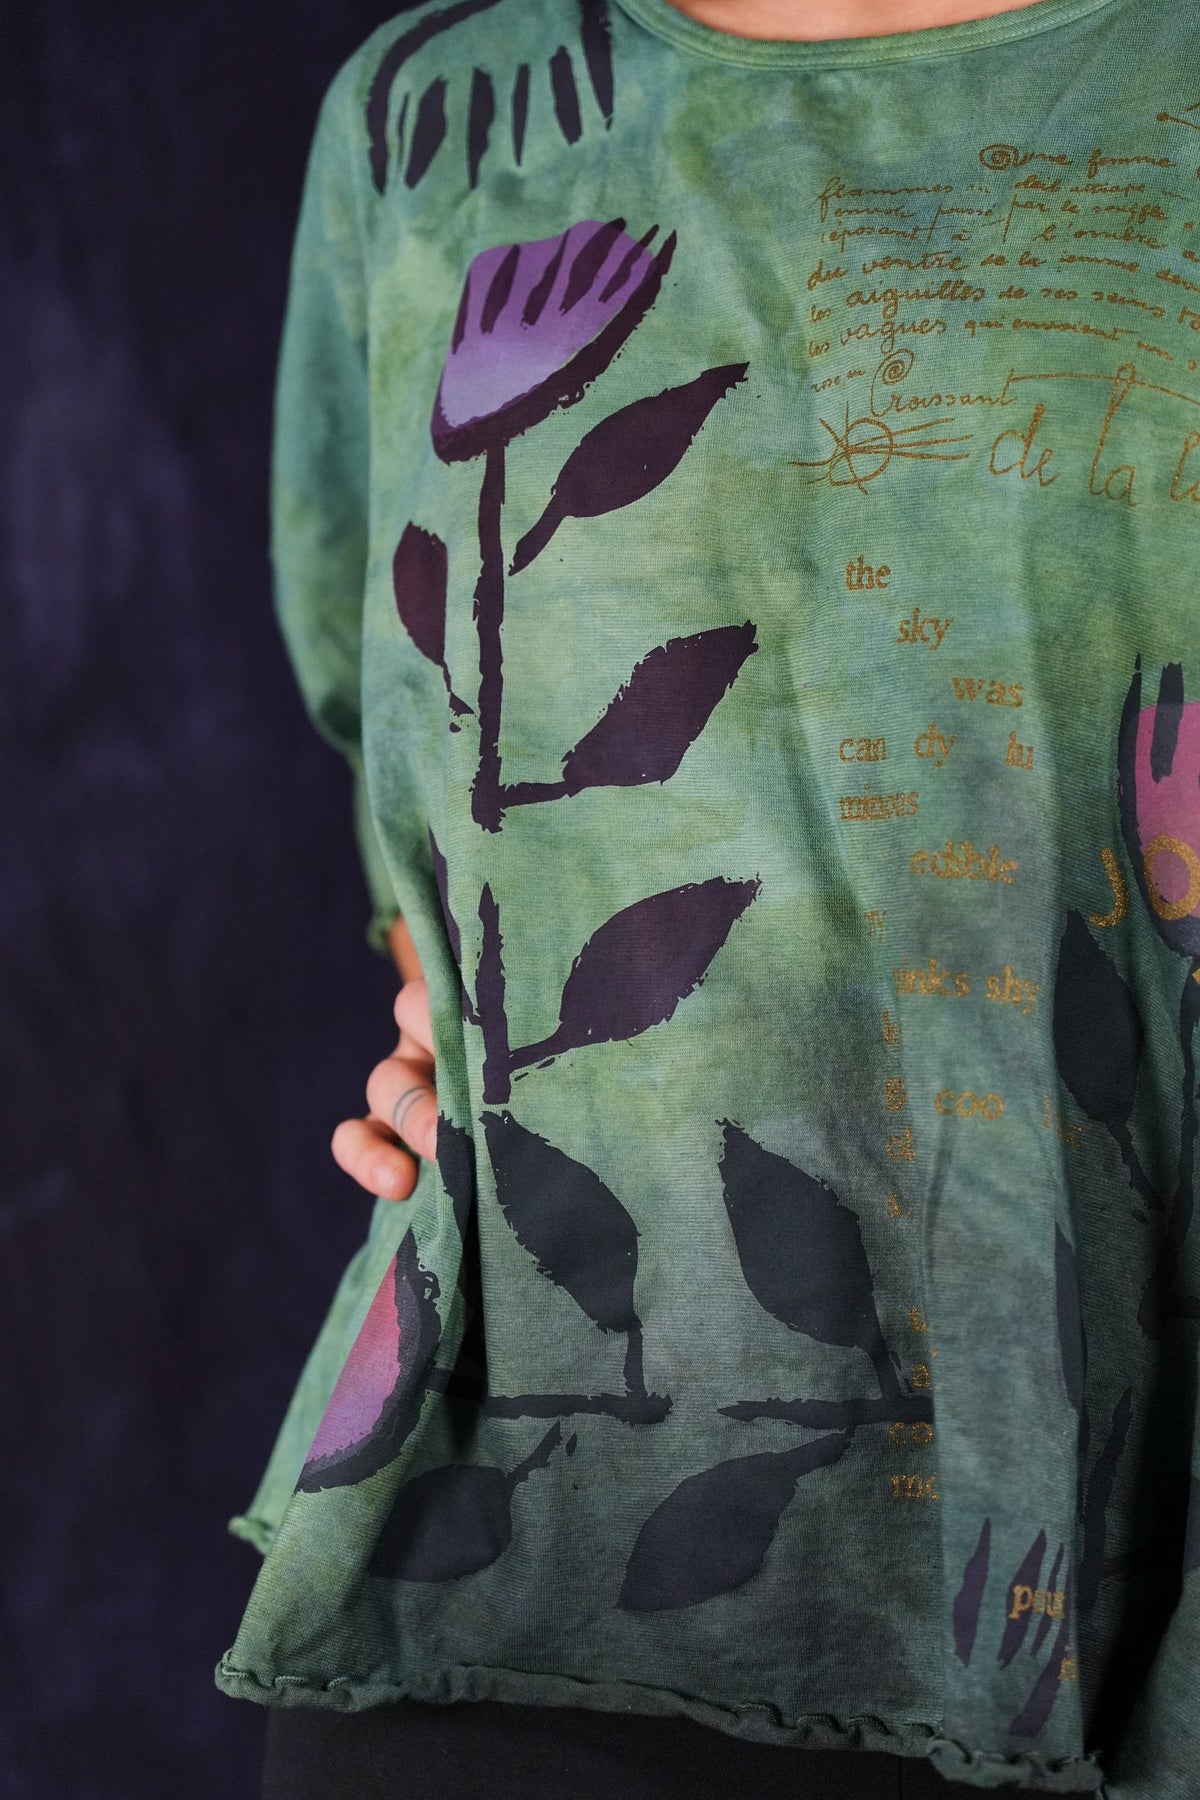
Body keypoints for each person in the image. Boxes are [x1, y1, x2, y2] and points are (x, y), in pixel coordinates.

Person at [216, 0, 1200, 1793]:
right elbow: (410, 768)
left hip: (1106, 1538)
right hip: (513, 1568)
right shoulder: (436, 116)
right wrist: (469, 1023)